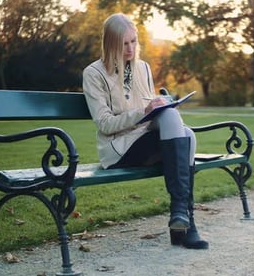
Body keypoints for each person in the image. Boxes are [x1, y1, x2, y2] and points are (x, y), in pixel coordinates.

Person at [82, 13, 208, 250]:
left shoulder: (143, 68)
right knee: (183, 133)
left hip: (143, 140)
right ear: (110, 44)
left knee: (185, 132)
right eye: (123, 44)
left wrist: (160, 107)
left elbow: (149, 113)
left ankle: (181, 220)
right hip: (118, 148)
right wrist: (144, 111)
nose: (130, 49)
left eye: (133, 42)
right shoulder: (93, 74)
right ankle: (186, 222)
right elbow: (105, 124)